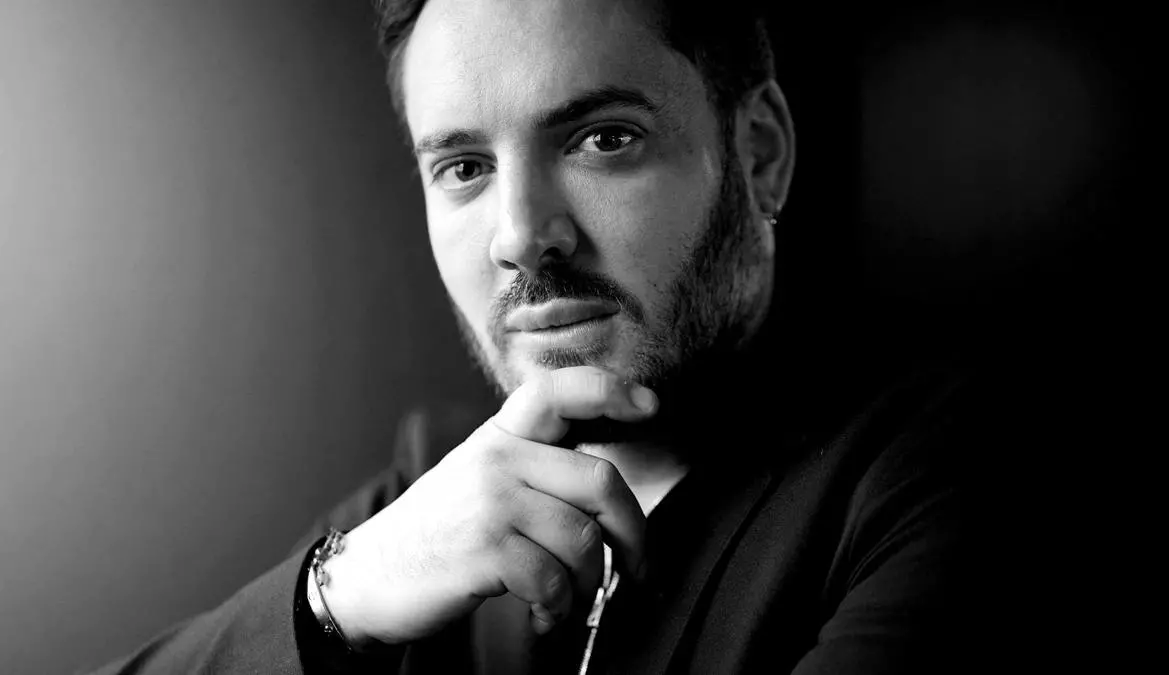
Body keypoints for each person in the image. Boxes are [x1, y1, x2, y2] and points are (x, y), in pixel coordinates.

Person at [85, 0, 1064, 672]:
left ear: (758, 154)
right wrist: (334, 597)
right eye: (464, 167)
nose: (520, 235)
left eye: (603, 139)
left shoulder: (952, 477)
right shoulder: (443, 486)